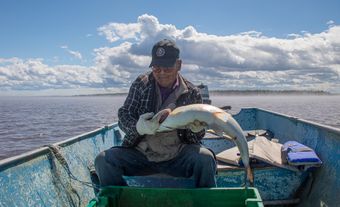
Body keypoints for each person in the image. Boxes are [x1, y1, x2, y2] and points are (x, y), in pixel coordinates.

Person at [95, 39, 217, 188]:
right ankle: (122, 200)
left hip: (177, 156)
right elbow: (124, 115)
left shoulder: (192, 93)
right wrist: (138, 128)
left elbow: (196, 138)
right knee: (104, 160)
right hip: (141, 155)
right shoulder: (141, 83)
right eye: (157, 68)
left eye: (167, 68)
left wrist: (196, 130)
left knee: (205, 159)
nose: (162, 73)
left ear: (179, 65)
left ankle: (204, 201)